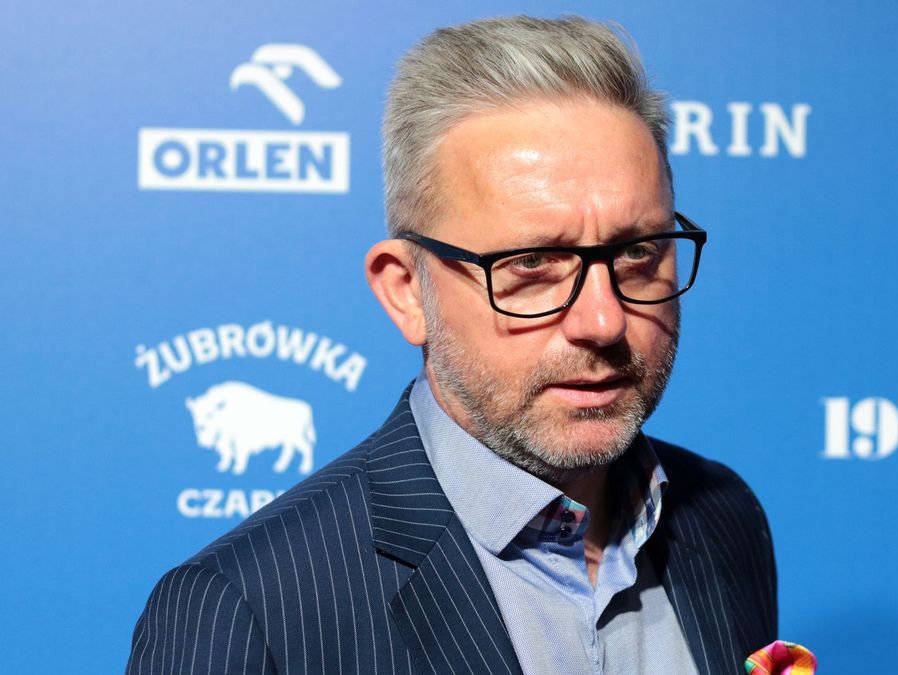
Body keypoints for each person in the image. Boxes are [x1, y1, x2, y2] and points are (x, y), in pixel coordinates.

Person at [127, 15, 777, 674]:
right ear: (407, 291)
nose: (604, 321)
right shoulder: (245, 611)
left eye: (637, 251)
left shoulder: (722, 516)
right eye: (531, 263)